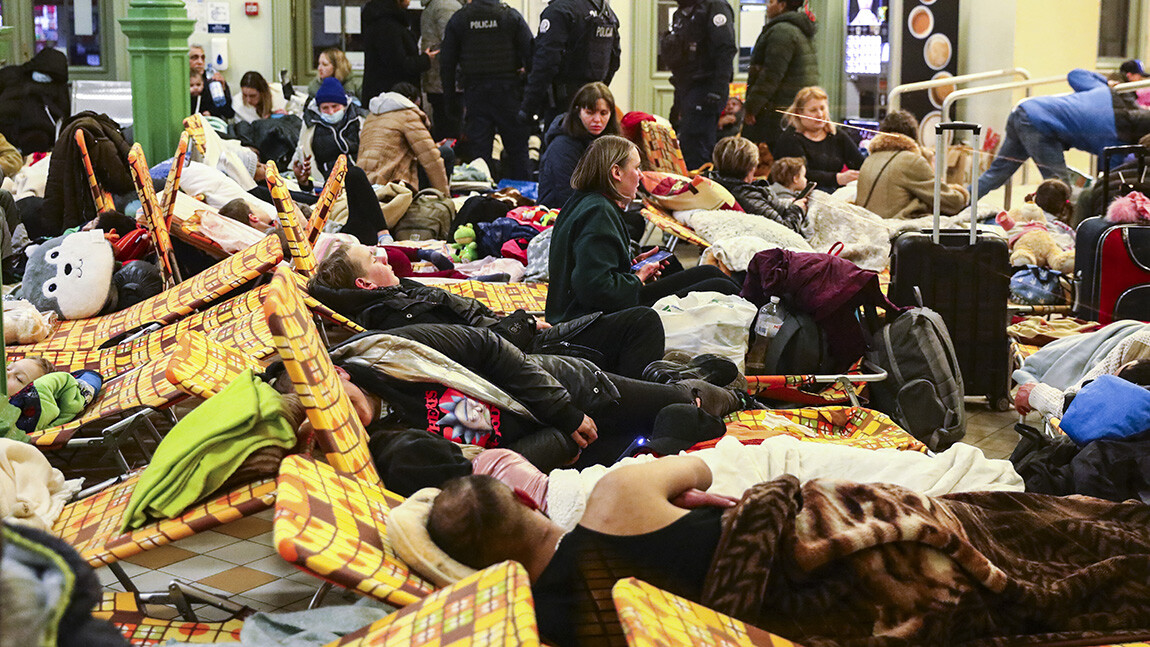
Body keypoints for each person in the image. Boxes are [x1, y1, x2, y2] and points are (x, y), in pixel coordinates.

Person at [430, 455, 1150, 647]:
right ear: (528, 500)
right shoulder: (613, 500)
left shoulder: (547, 627)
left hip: (831, 616)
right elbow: (704, 473)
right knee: (1031, 527)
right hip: (842, 547)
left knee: (1037, 574)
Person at [328, 325, 744, 470]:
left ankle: (736, 393)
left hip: (569, 392)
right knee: (678, 432)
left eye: (335, 396)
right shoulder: (386, 449)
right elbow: (483, 475)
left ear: (339, 372)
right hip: (559, 456)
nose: (339, 414)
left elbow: (488, 346)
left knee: (687, 400)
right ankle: (693, 377)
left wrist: (563, 413)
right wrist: (559, 441)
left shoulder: (388, 351)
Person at [307, 240, 667, 380]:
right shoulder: (395, 314)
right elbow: (474, 346)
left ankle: (652, 384)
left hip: (519, 338)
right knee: (643, 321)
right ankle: (648, 390)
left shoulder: (397, 296)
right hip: (524, 353)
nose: (382, 257)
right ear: (365, 284)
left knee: (640, 322)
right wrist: (521, 325)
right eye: (373, 259)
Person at [545, 135, 741, 324]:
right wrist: (638, 278)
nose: (640, 175)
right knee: (719, 286)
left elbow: (592, 268)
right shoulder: (599, 212)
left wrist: (631, 265)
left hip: (584, 308)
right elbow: (595, 290)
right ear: (616, 172)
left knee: (708, 273)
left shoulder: (585, 201)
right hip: (588, 318)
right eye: (637, 168)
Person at [977, 68, 1150, 196]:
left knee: (996, 174)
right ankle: (1062, 233)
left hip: (1025, 109)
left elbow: (1075, 74)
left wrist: (1107, 83)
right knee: (1060, 189)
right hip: (1041, 126)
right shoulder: (1116, 142)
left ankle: (958, 203)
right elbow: (1109, 182)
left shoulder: (1107, 92)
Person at [439, 0, 534, 180]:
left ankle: (481, 202)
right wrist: (528, 92)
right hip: (509, 93)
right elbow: (532, 56)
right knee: (518, 153)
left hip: (476, 95)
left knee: (479, 159)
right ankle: (523, 202)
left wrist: (450, 103)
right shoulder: (510, 16)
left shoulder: (460, 19)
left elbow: (447, 65)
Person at [660, 0, 737, 170]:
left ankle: (700, 191)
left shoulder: (714, 7)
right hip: (685, 87)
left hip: (706, 88)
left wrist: (717, 88)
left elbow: (726, 49)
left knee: (697, 148)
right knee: (683, 143)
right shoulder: (683, 12)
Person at [519, 0, 621, 126]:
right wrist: (596, 90)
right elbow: (614, 61)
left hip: (564, 104)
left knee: (559, 143)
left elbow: (546, 64)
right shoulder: (606, 13)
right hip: (595, 103)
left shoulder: (559, 11)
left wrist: (528, 107)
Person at [855, 109, 969, 219]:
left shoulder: (870, 160)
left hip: (872, 226)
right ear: (914, 136)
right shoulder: (911, 161)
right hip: (898, 229)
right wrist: (961, 193)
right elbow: (952, 202)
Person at [743, 0, 818, 150]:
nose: (767, 6)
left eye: (771, 2)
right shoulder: (797, 30)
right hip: (790, 108)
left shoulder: (781, 32)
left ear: (782, 5)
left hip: (776, 112)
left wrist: (752, 107)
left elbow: (770, 75)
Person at [537, 82, 620, 209]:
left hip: (590, 206)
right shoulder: (562, 146)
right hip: (558, 213)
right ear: (578, 112)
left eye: (603, 113)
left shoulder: (607, 141)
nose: (597, 120)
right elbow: (568, 195)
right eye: (590, 112)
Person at [356, 86, 451, 195]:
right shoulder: (407, 114)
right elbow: (432, 159)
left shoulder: (371, 116)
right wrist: (445, 198)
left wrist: (434, 145)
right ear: (410, 100)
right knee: (446, 153)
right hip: (392, 183)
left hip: (364, 183)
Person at [772, 86, 865, 192]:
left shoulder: (837, 135)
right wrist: (837, 178)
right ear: (799, 113)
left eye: (822, 108)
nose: (820, 114)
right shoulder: (790, 139)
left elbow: (860, 163)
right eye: (813, 110)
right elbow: (798, 176)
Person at [707, 136, 806, 233]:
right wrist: (797, 208)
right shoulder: (748, 197)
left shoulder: (711, 186)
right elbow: (787, 230)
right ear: (752, 167)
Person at [292, 77, 365, 191]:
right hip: (323, 184)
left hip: (357, 181)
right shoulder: (310, 125)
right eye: (325, 108)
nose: (331, 112)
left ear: (344, 105)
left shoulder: (358, 121)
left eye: (335, 106)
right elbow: (301, 153)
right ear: (318, 109)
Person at [362, 0, 437, 104]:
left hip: (383, 95)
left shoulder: (380, 20)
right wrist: (424, 59)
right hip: (393, 98)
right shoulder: (388, 26)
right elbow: (398, 64)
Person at [420, 0, 464, 140]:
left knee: (443, 127)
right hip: (449, 83)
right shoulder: (447, 6)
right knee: (451, 130)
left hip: (438, 80)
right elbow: (453, 44)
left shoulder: (436, 4)